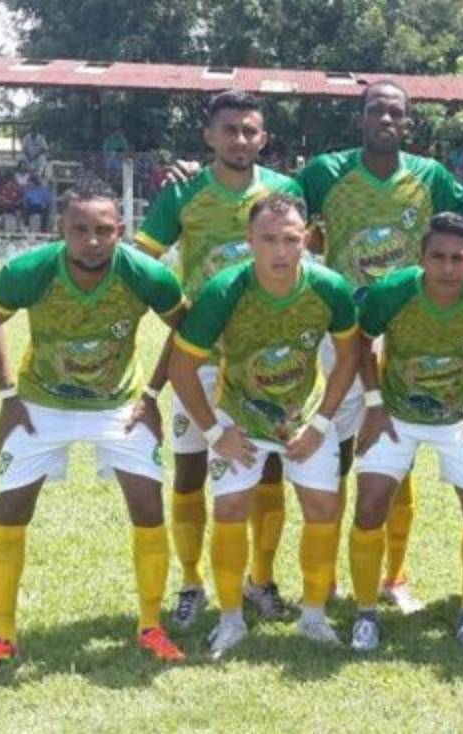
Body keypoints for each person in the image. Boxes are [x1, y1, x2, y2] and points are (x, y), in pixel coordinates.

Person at [0, 179, 187, 675]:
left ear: (120, 230)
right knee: (11, 509)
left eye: (103, 230)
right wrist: (7, 395)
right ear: (61, 229)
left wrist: (151, 396)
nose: (92, 240)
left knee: (148, 507)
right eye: (80, 229)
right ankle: (1, 636)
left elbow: (185, 329)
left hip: (119, 406)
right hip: (40, 403)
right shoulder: (31, 271)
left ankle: (151, 625)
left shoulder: (147, 275)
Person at [296, 80, 463, 613]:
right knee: (334, 449)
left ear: (408, 124)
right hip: (341, 331)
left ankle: (393, 576)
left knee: (394, 453)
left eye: (395, 113)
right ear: (362, 118)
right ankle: (325, 576)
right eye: (376, 110)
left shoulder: (431, 176)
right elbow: (268, 200)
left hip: (406, 332)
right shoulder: (325, 171)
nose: (385, 120)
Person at [135, 89, 303, 629]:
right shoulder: (181, 192)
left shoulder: (286, 191)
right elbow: (143, 265)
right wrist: (180, 316)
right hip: (201, 354)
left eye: (249, 130)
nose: (239, 139)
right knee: (188, 469)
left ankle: (261, 579)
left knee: (268, 465)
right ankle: (191, 581)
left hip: (270, 357)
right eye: (228, 129)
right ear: (209, 136)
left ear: (263, 138)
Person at [167, 194, 359, 658]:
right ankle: (231, 619)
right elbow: (181, 368)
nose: (280, 250)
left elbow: (349, 356)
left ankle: (313, 616)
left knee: (321, 508)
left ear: (306, 240)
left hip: (304, 417)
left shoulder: (330, 287)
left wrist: (321, 422)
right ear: (249, 240)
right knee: (230, 510)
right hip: (240, 417)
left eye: (291, 239)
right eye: (268, 239)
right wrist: (217, 433)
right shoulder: (223, 290)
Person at [347, 213, 463, 652]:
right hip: (394, 416)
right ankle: (365, 615)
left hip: (458, 418)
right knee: (369, 504)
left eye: (458, 258)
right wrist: (373, 404)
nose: (447, 267)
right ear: (421, 257)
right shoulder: (392, 292)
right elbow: (361, 343)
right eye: (437, 257)